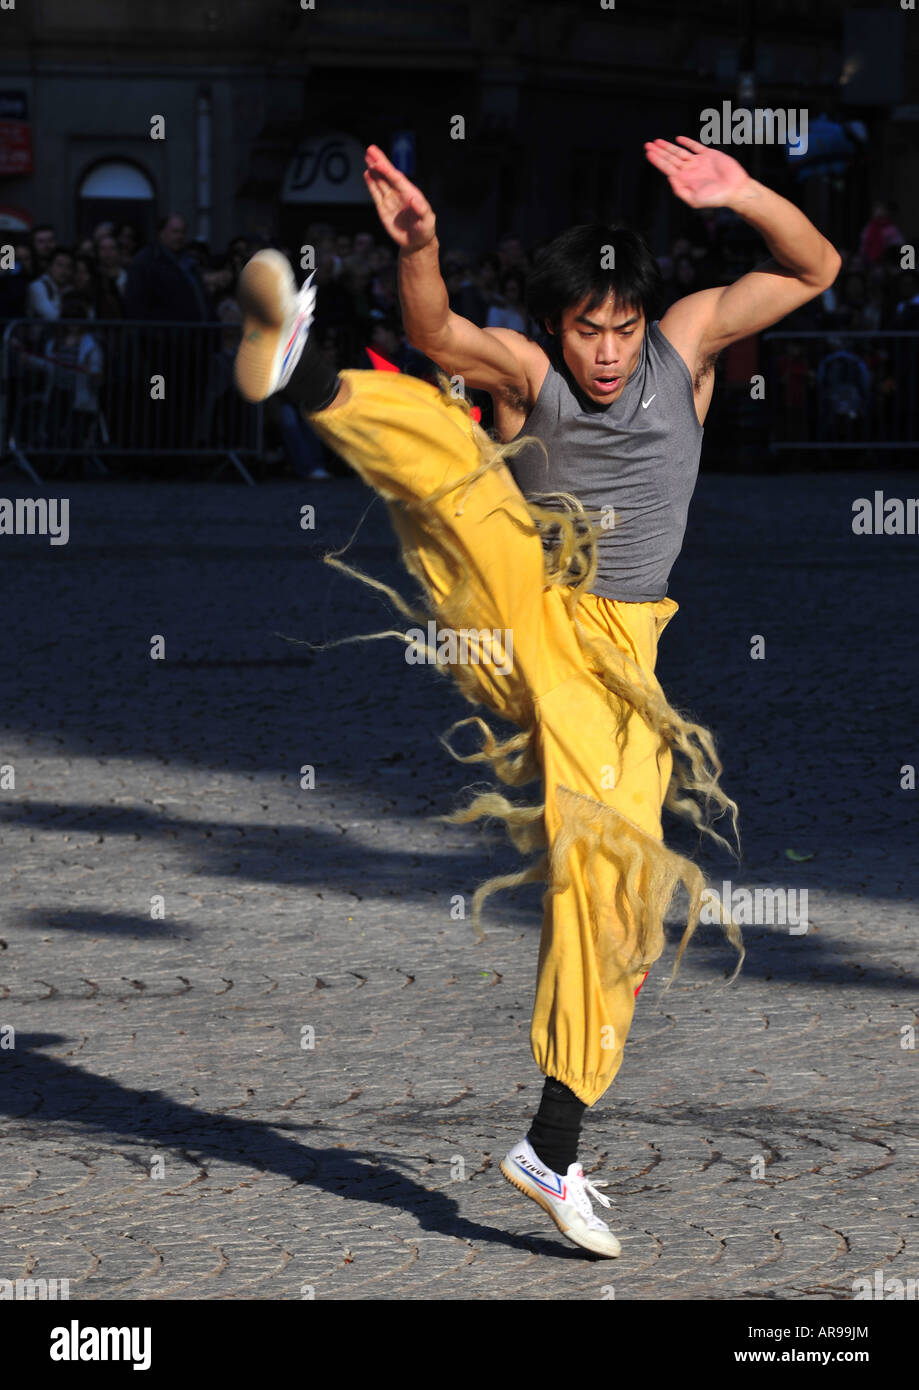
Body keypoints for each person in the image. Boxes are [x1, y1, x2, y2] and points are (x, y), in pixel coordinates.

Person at [232, 137, 840, 1258]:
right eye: (584, 331)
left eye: (619, 328)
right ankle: (310, 372)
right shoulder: (531, 374)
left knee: (621, 900)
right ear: (556, 327)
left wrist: (747, 190)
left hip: (622, 666)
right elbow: (437, 335)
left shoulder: (690, 342)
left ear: (642, 319)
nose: (605, 354)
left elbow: (813, 270)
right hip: (530, 601)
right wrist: (418, 246)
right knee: (466, 474)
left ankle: (550, 1148)